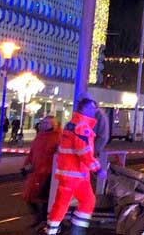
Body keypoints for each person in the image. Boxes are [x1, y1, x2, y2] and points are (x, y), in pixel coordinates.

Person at [46, 98, 102, 235]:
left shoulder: (73, 124)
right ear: (86, 109)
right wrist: (97, 168)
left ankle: (74, 230)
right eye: (93, 108)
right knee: (63, 204)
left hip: (75, 174)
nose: (95, 111)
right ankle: (56, 231)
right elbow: (83, 151)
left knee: (86, 201)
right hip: (74, 174)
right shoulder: (82, 127)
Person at [22, 116, 61, 227]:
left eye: (46, 123)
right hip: (36, 172)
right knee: (28, 197)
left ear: (53, 124)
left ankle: (44, 220)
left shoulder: (58, 137)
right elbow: (32, 153)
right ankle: (39, 217)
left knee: (45, 199)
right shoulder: (40, 136)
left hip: (49, 174)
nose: (43, 124)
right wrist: (25, 166)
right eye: (42, 122)